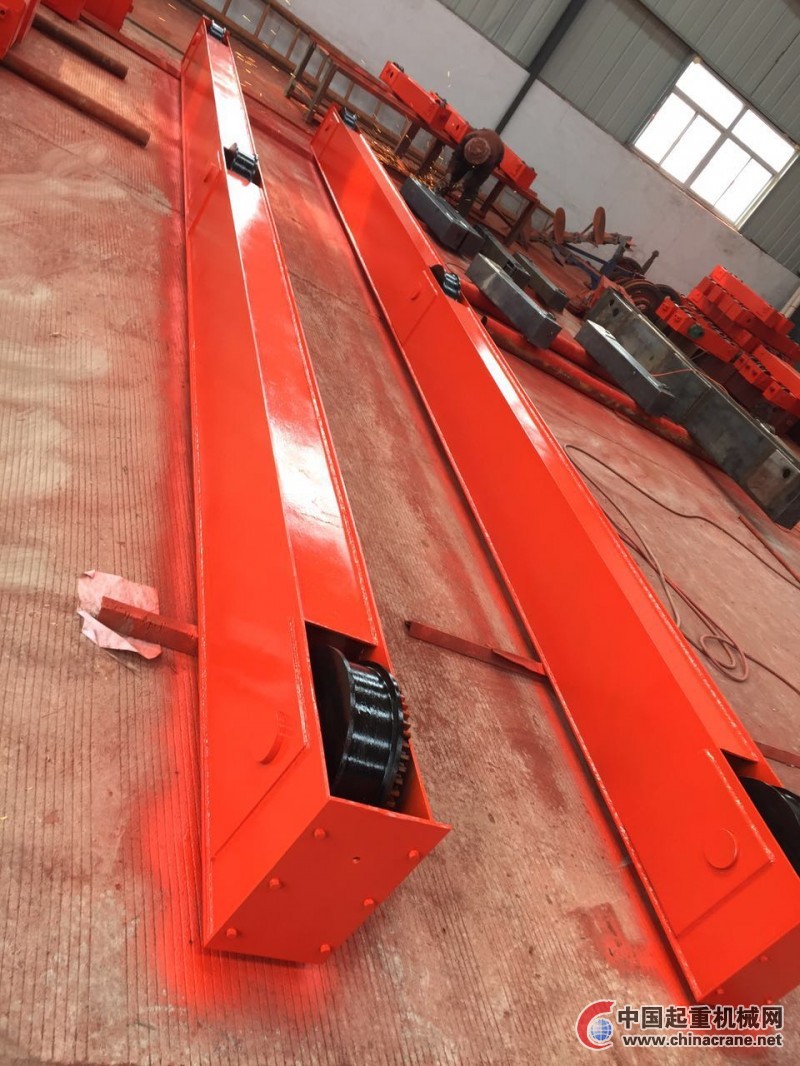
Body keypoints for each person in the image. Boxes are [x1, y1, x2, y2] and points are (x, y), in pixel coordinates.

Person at [439, 128, 505, 216]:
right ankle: (437, 193)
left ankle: (460, 215)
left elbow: (478, 178)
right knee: (455, 173)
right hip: (485, 135)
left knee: (472, 189)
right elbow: (456, 157)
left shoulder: (490, 160)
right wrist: (449, 172)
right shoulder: (468, 138)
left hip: (497, 152)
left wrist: (464, 183)